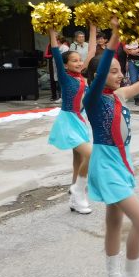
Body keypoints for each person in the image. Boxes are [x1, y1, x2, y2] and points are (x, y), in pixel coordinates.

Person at [84, 17, 139, 277]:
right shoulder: (92, 98)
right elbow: (103, 67)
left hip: (120, 162)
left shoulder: (118, 95)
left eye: (120, 70)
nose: (120, 75)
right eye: (114, 71)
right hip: (105, 164)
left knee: (114, 222)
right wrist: (116, 34)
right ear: (99, 75)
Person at [47, 24, 96, 214]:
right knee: (90, 154)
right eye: (74, 60)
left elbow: (91, 51)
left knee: (78, 159)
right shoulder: (65, 77)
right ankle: (78, 191)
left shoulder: (82, 77)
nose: (79, 62)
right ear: (66, 65)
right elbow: (55, 53)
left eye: (79, 60)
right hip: (68, 121)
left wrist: (93, 27)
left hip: (80, 120)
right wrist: (52, 32)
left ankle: (75, 194)